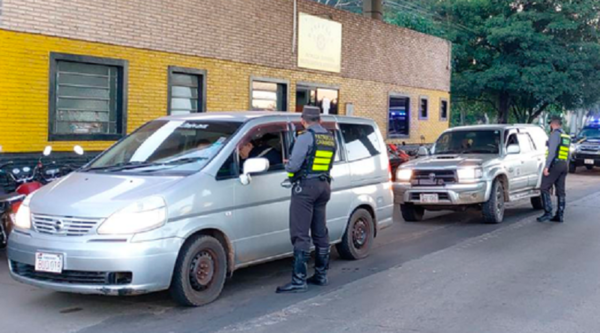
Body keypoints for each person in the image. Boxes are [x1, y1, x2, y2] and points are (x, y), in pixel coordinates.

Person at [276, 106, 336, 294]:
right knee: (320, 231)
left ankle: (299, 280)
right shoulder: (329, 137)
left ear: (303, 120)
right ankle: (321, 275)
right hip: (324, 185)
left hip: (306, 187)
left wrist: (289, 166)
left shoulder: (305, 137)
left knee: (300, 233)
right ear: (319, 119)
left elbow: (293, 166)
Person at [537, 116, 572, 223]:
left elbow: (551, 152)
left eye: (550, 124)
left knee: (544, 187)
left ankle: (548, 213)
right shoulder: (565, 136)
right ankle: (560, 215)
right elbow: (568, 153)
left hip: (555, 164)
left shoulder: (554, 135)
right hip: (564, 164)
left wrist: (547, 167)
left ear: (553, 124)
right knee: (560, 190)